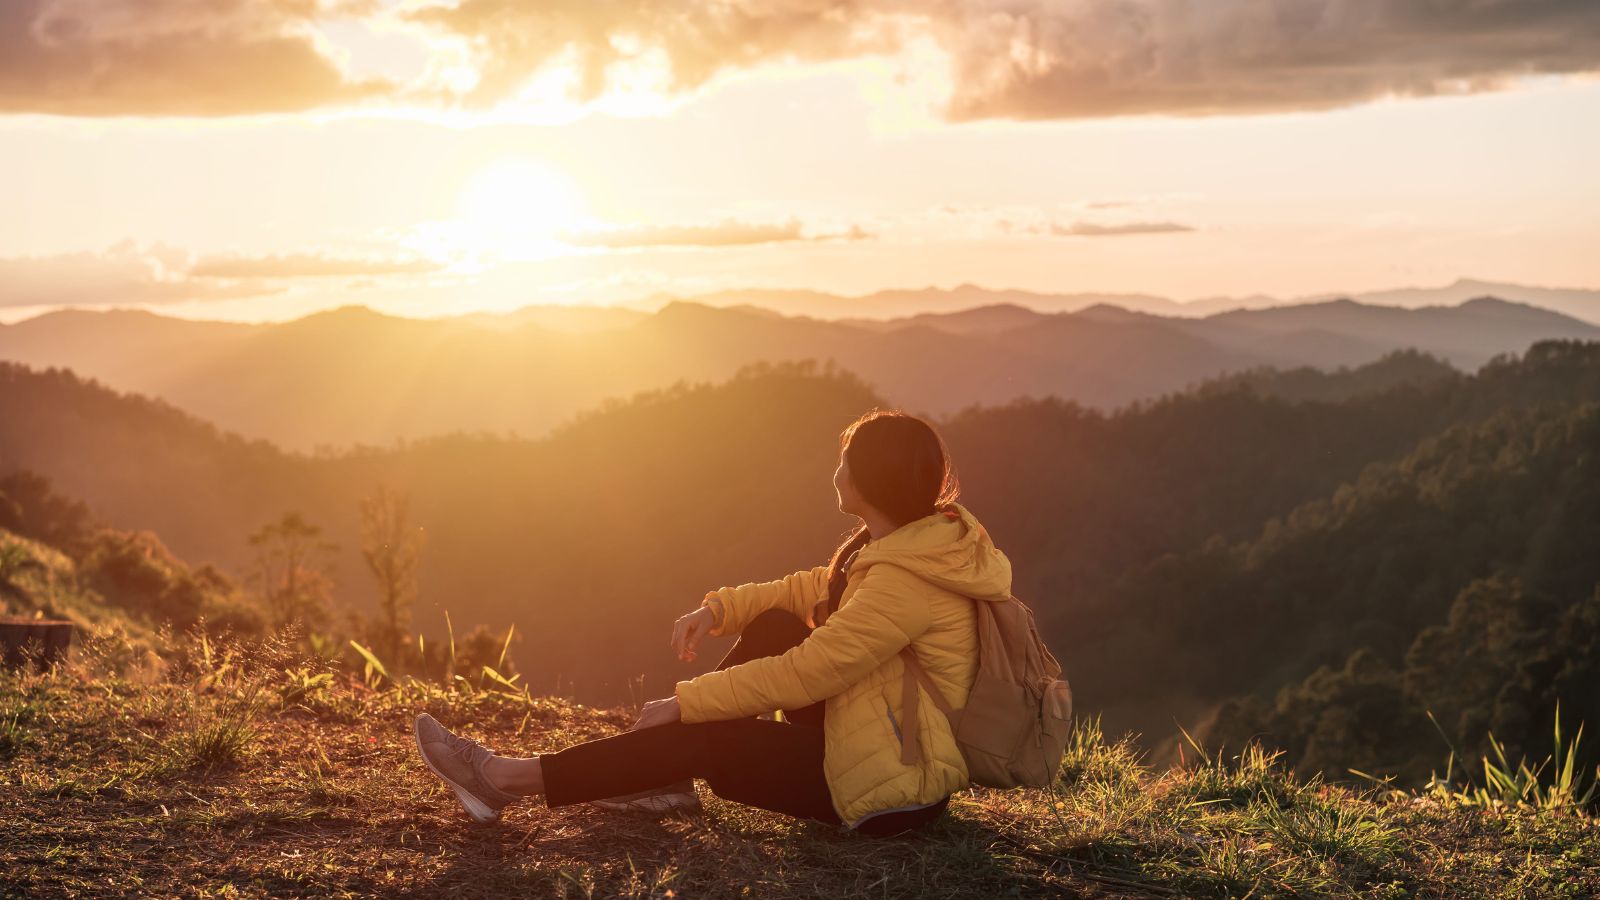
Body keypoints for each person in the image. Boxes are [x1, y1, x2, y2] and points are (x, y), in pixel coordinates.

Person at [413, 408, 1015, 837]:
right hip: (880, 737)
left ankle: (504, 779)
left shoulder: (906, 582)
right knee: (777, 624)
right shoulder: (903, 545)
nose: (835, 473)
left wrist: (688, 701)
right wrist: (719, 609)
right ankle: (662, 779)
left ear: (870, 479)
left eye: (845, 463)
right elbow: (811, 589)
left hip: (892, 791)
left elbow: (810, 672)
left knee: (709, 735)